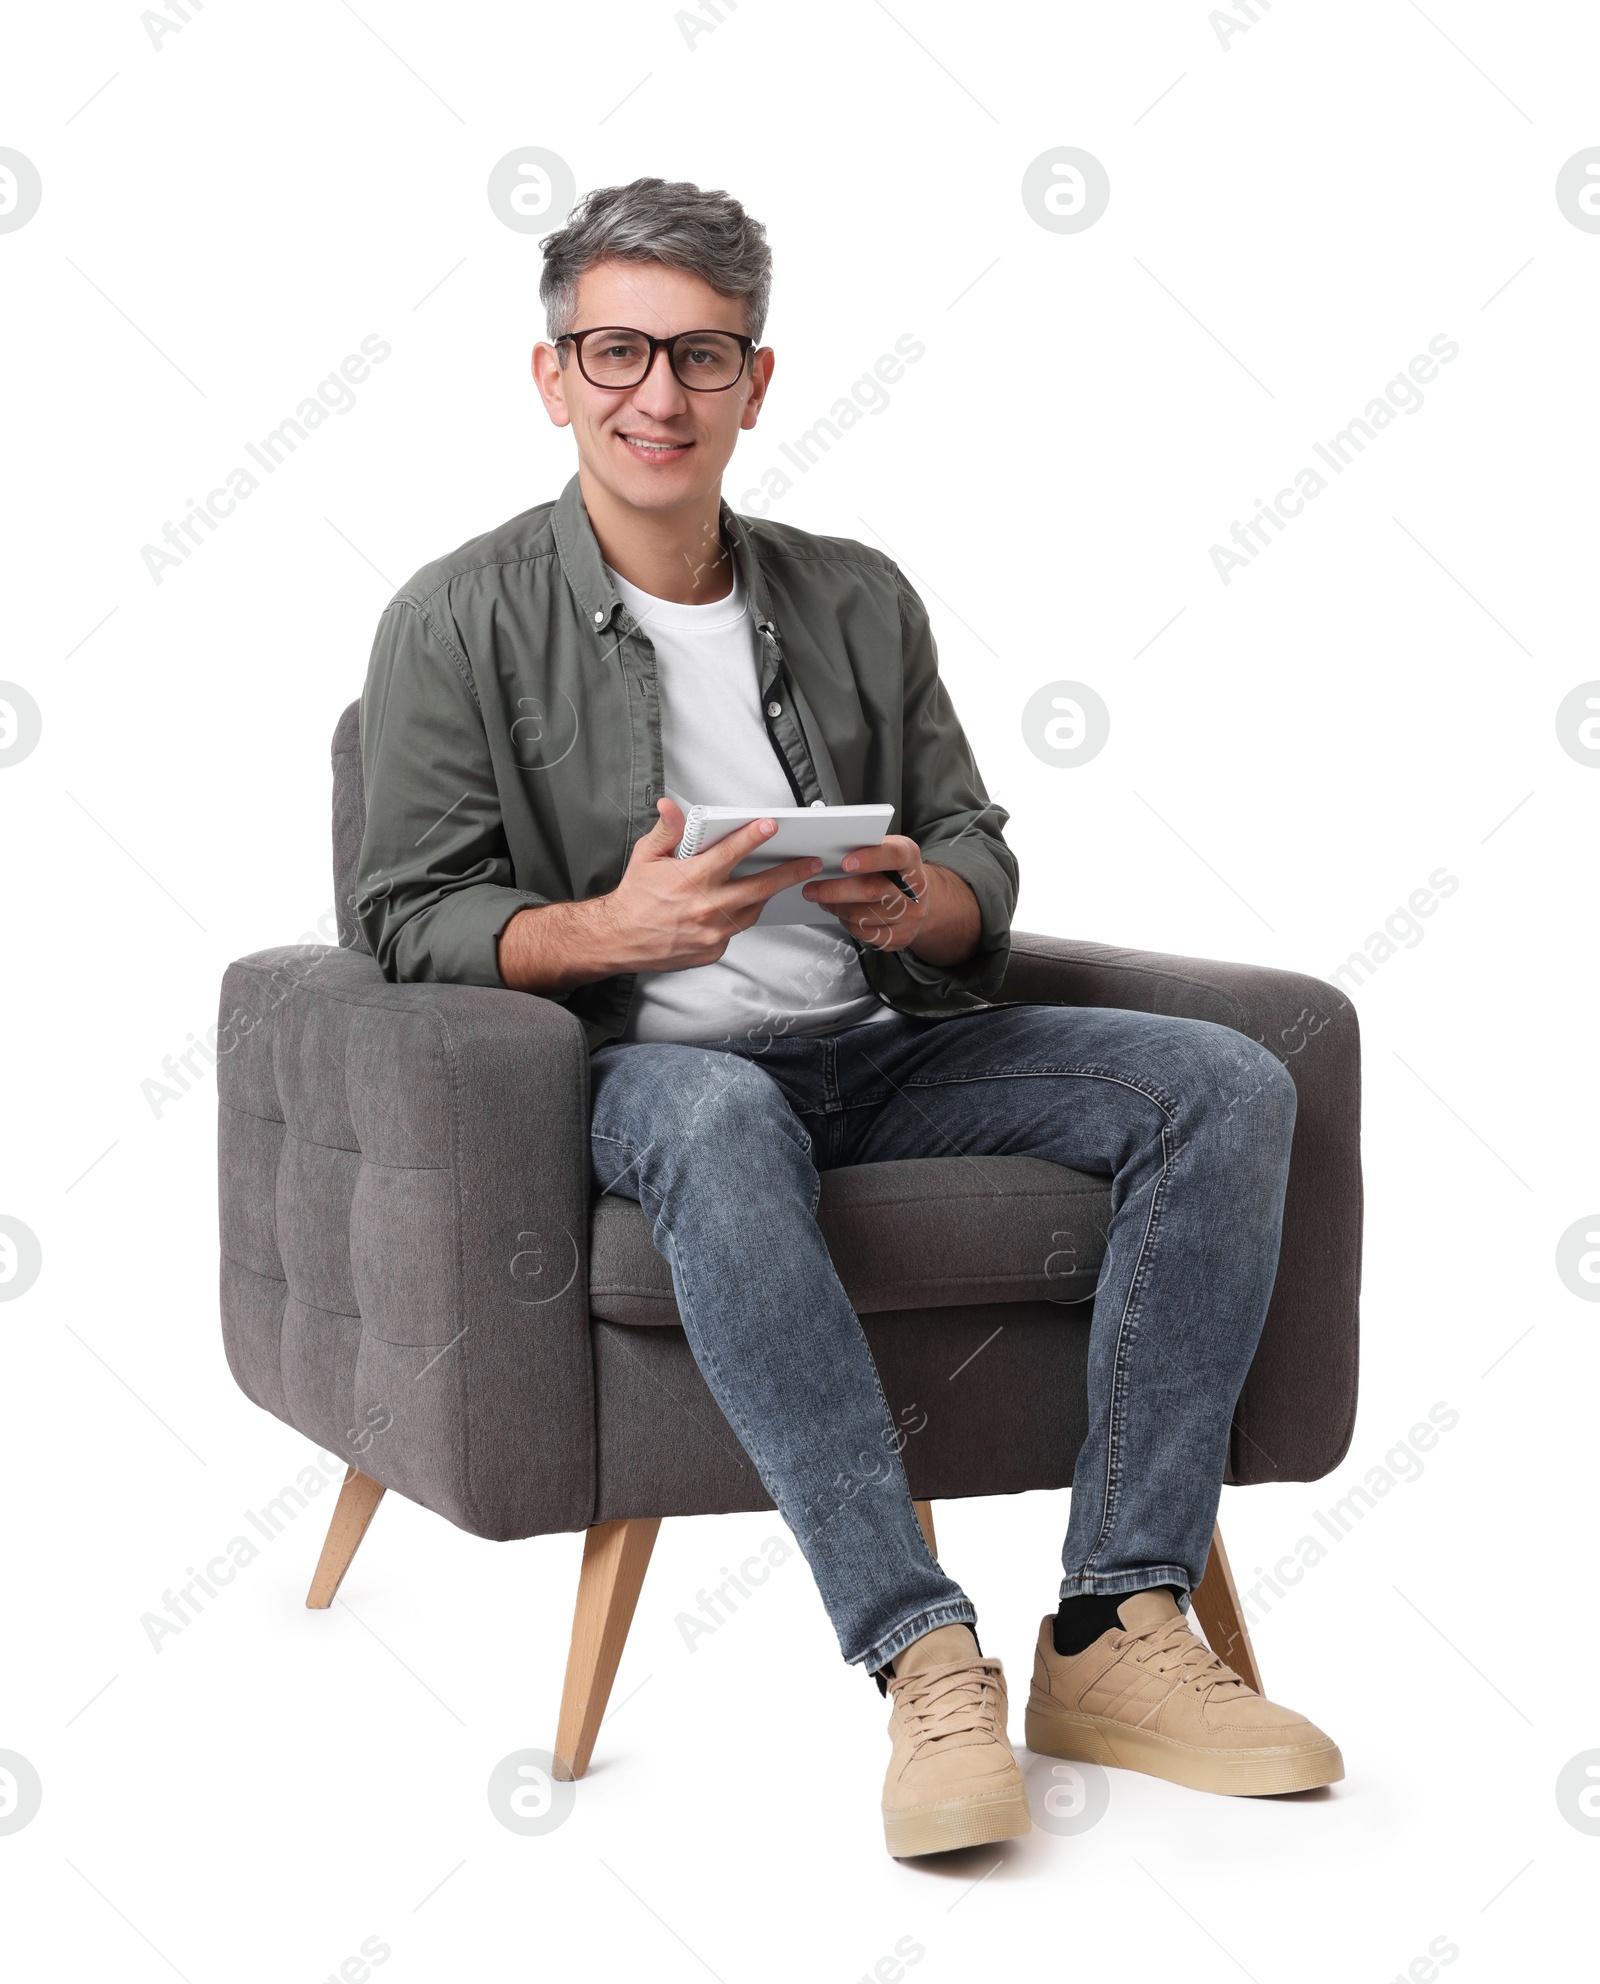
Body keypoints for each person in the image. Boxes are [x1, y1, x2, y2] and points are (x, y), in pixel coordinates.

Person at [355, 175, 1343, 1859]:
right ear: (551, 377)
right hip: (650, 1078)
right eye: (615, 352)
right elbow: (398, 914)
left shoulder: (857, 596)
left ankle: (1115, 1622)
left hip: (878, 1050)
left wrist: (931, 901)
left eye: (700, 356)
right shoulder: (453, 619)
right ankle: (919, 1652)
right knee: (723, 1111)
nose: (656, 395)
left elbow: (970, 840)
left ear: (756, 380)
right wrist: (613, 927)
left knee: (1228, 1084)